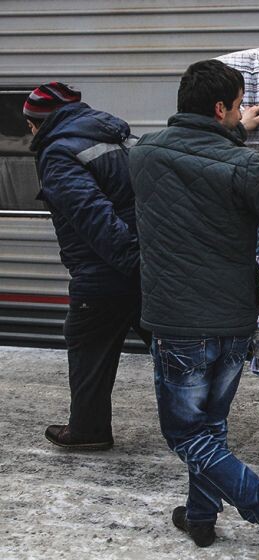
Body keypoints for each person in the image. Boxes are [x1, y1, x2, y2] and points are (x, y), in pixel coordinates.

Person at [129, 60, 259, 558]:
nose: (243, 112)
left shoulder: (143, 154)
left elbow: (197, 170)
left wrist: (233, 134)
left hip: (179, 323)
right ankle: (201, 517)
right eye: (239, 105)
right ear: (222, 108)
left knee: (186, 433)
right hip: (231, 320)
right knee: (207, 429)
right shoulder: (243, 167)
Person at [25, 82, 150, 451]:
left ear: (39, 122)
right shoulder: (119, 135)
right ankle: (199, 425)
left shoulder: (59, 152)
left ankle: (88, 431)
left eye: (29, 124)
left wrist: (133, 265)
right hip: (143, 263)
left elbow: (93, 216)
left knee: (88, 346)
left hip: (107, 272)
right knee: (169, 350)